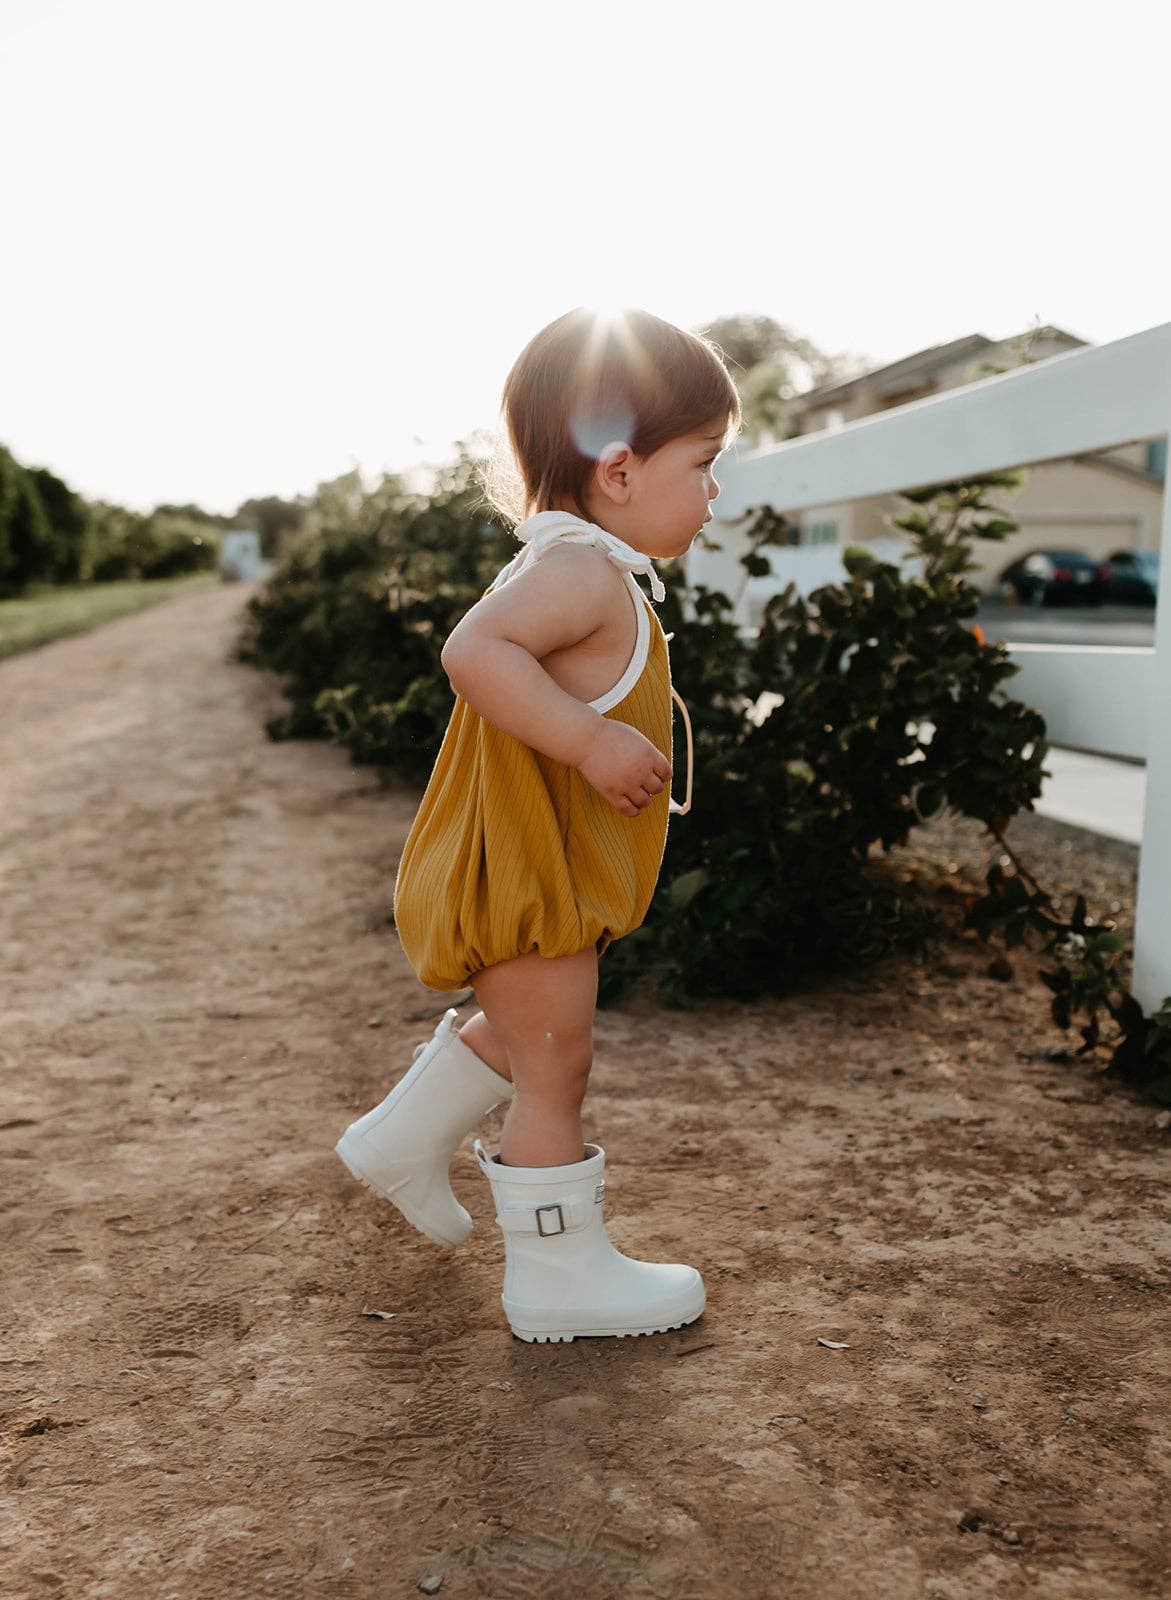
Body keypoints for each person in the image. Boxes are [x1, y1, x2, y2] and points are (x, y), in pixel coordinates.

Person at [335, 306, 742, 1343]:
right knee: (556, 1061)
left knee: (527, 1037)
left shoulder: (582, 567)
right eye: (701, 465)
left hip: (539, 877)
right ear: (618, 470)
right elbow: (474, 653)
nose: (712, 494)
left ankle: (399, 1139)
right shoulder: (578, 573)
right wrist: (589, 742)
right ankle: (559, 1279)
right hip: (526, 883)